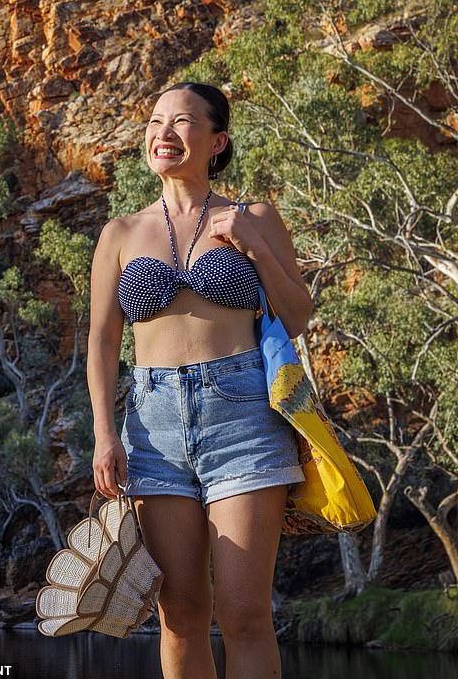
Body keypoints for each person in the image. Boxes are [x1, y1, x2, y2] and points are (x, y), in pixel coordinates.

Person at [87, 81, 314, 679]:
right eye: (156, 119)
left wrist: (254, 250)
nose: (163, 132)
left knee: (244, 613)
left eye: (182, 121)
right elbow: (103, 341)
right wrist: (104, 435)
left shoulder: (255, 217)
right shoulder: (121, 233)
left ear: (217, 141)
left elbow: (298, 314)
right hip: (153, 425)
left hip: (242, 414)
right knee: (180, 611)